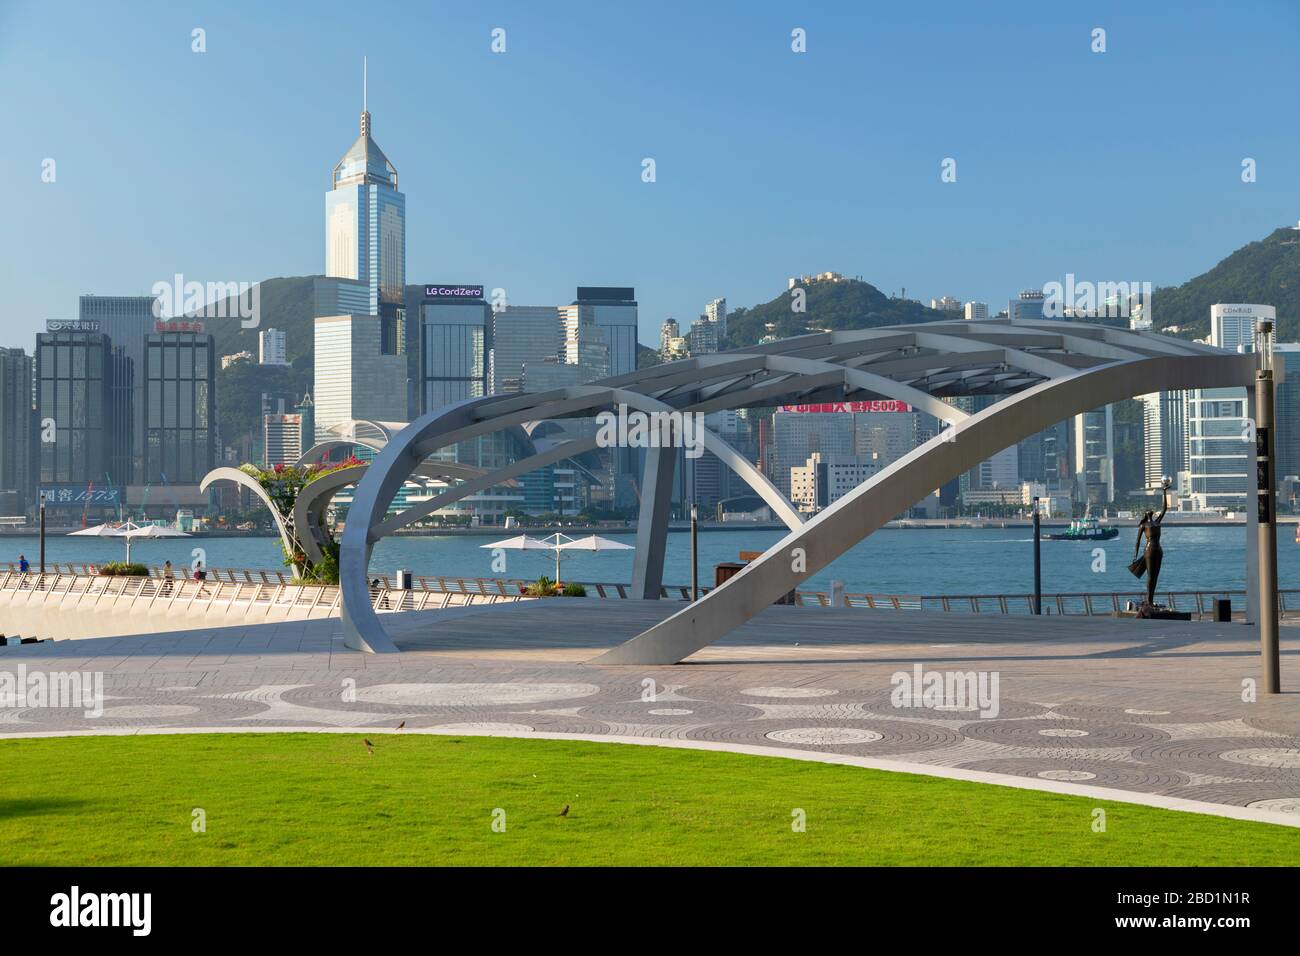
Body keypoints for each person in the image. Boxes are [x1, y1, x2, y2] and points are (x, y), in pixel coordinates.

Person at [1133, 478, 1171, 607]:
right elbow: (1137, 541)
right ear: (1145, 514)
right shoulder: (1143, 525)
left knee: (1155, 577)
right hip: (1148, 550)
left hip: (1158, 550)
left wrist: (1164, 492)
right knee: (1150, 576)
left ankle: (1151, 599)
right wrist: (1135, 555)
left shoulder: (1157, 522)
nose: (1150, 510)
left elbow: (1165, 508)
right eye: (1147, 510)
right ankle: (1148, 601)